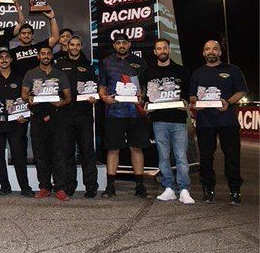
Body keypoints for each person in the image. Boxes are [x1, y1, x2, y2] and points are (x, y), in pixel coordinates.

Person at [189, 40, 248, 205]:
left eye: (215, 49)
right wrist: (195, 103)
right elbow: (192, 96)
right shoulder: (198, 73)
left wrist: (228, 102)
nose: (211, 51)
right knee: (206, 158)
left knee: (232, 157)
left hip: (228, 121)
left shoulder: (233, 70)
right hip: (205, 123)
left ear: (220, 52)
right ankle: (208, 190)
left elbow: (241, 91)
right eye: (207, 49)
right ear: (203, 53)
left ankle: (235, 191)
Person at [141, 38, 194, 204]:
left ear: (169, 50)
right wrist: (145, 105)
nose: (162, 51)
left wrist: (186, 103)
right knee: (163, 156)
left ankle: (184, 189)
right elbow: (144, 95)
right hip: (159, 120)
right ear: (155, 52)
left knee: (181, 156)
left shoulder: (181, 70)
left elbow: (189, 94)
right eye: (159, 48)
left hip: (178, 120)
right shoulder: (148, 72)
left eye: (165, 48)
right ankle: (169, 188)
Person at [98, 33, 148, 199]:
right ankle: (110, 186)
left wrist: (142, 96)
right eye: (118, 43)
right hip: (114, 112)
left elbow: (145, 86)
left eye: (124, 43)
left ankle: (140, 186)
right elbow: (102, 86)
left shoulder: (140, 62)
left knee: (136, 148)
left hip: (135, 113)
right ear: (114, 45)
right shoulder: (106, 62)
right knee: (113, 149)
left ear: (129, 44)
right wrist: (104, 97)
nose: (121, 45)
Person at [22, 45, 72, 201]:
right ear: (38, 56)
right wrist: (29, 99)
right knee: (40, 154)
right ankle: (44, 187)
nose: (45, 56)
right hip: (38, 117)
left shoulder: (60, 74)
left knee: (59, 153)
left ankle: (60, 188)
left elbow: (68, 97)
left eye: (48, 53)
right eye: (42, 53)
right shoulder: (30, 73)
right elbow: (24, 95)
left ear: (52, 56)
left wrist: (62, 102)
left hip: (57, 116)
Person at [55, 35, 99, 198]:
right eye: (71, 44)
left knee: (87, 151)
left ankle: (91, 186)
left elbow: (95, 87)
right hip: (65, 115)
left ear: (81, 46)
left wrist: (94, 98)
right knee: (67, 152)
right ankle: (69, 185)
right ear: (67, 46)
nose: (74, 47)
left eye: (77, 45)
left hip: (84, 115)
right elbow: (54, 86)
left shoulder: (88, 66)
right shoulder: (59, 65)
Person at [0, 47, 33, 197]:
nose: (4, 60)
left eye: (7, 57)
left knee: (19, 156)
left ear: (11, 59)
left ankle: (25, 187)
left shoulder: (20, 77)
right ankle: (4, 186)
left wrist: (25, 116)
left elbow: (26, 99)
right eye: (1, 57)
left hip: (16, 123)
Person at [10, 9, 60, 77]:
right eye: (23, 33)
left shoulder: (39, 47)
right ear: (19, 36)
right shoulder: (13, 52)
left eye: (29, 33)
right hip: (21, 82)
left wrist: (52, 18)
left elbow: (55, 38)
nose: (26, 35)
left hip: (40, 81)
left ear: (32, 36)